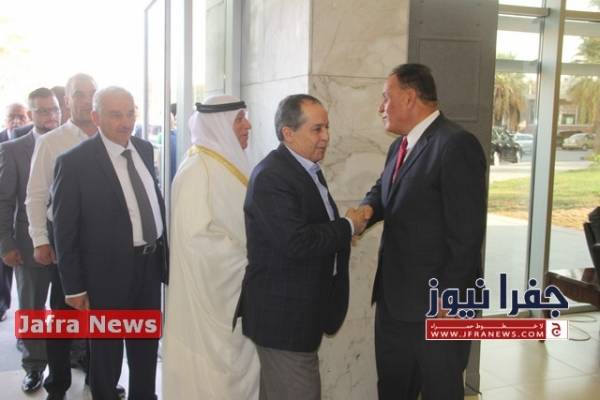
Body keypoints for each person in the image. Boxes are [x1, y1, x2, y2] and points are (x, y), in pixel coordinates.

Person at [358, 63, 487, 400]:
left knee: (440, 390)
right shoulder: (399, 147)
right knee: (393, 388)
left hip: (438, 305)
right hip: (394, 300)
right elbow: (385, 191)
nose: (381, 107)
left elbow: (467, 233)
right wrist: (367, 209)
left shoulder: (456, 144)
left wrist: (449, 296)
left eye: (386, 97)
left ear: (409, 97)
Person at [236, 94, 369, 400]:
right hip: (283, 320)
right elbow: (296, 241)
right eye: (317, 129)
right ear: (288, 133)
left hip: (298, 314)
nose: (326, 137)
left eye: (327, 127)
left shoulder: (305, 168)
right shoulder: (273, 176)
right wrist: (348, 226)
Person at [52, 86, 168, 400]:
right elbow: (64, 230)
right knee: (106, 353)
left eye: (130, 113)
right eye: (116, 115)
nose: (126, 122)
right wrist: (74, 287)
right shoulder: (73, 163)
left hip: (149, 266)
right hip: (104, 275)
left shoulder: (144, 148)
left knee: (146, 344)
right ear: (96, 117)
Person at [25, 74, 124, 399]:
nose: (86, 100)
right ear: (67, 100)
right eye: (79, 94)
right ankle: (58, 384)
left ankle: (101, 378)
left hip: (107, 242)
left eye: (92, 93)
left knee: (103, 315)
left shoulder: (112, 138)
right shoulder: (51, 142)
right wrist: (40, 239)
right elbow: (36, 196)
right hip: (66, 241)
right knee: (63, 315)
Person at [163, 95, 259, 399]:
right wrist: (251, 258)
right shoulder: (196, 170)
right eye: (239, 119)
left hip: (238, 298)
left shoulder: (227, 163)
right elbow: (197, 242)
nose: (248, 125)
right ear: (219, 124)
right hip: (212, 303)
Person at [0, 88, 60, 394]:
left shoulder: (72, 142)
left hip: (67, 243)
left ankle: (73, 356)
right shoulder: (13, 150)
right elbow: (4, 201)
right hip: (27, 244)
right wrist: (6, 244)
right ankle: (34, 366)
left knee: (69, 305)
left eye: (54, 109)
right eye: (43, 111)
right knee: (32, 307)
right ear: (31, 114)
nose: (51, 116)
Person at [0, 102, 31, 321]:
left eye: (21, 116)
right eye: (12, 116)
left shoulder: (38, 141)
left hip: (24, 219)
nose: (16, 121)